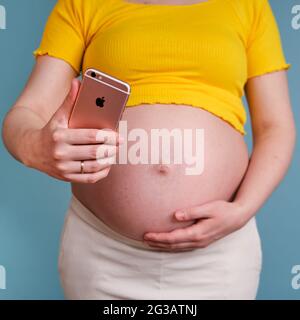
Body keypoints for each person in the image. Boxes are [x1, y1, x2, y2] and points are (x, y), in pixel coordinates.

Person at [2, 0, 296, 300]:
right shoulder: (83, 4)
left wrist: (242, 210)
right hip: (103, 252)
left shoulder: (248, 6)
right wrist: (34, 146)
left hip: (217, 254)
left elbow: (276, 126)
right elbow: (27, 111)